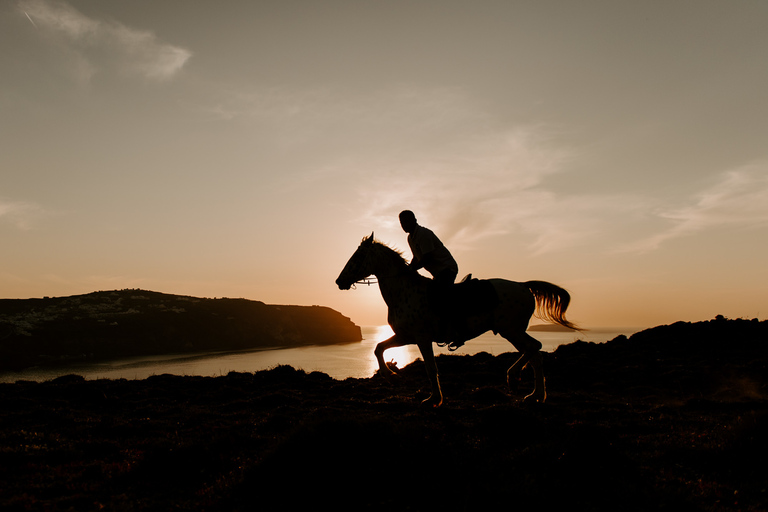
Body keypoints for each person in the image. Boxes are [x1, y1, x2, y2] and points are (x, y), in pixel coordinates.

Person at [399, 210, 458, 285]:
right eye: (402, 223)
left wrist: (412, 269)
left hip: (447, 268)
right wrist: (409, 267)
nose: (404, 225)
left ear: (414, 220)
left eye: (406, 221)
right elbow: (416, 257)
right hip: (438, 272)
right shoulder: (410, 238)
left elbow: (427, 257)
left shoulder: (423, 234)